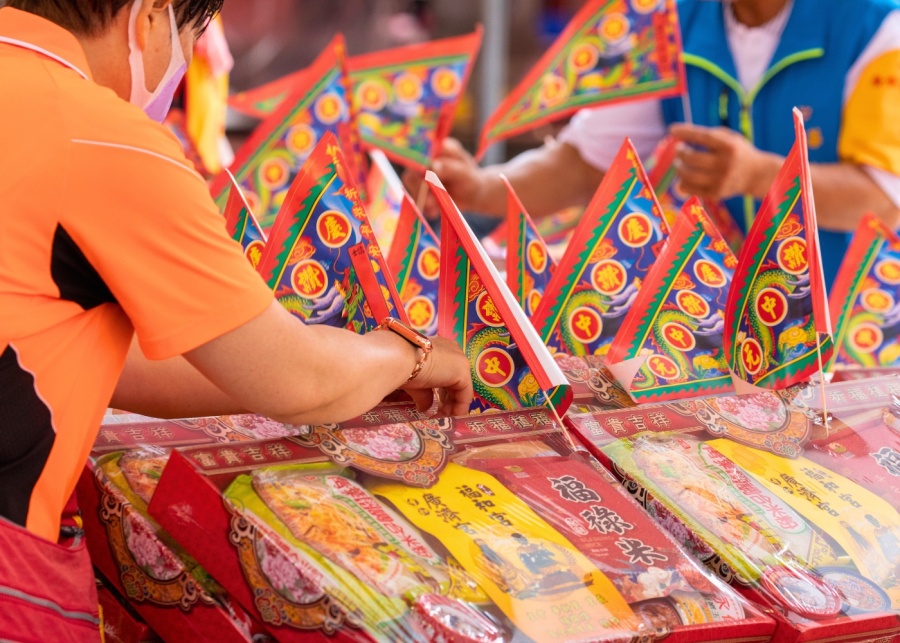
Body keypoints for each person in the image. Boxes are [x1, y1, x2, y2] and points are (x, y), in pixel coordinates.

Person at [0, 0, 472, 581]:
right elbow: (298, 378)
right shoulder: (99, 138)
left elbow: (115, 359)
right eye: (192, 37)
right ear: (148, 16)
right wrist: (411, 354)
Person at [410, 0, 900, 287]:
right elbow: (586, 162)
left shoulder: (877, 24)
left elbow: (883, 196)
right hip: (726, 325)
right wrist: (477, 189)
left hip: (860, 333)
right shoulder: (667, 20)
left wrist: (758, 176)